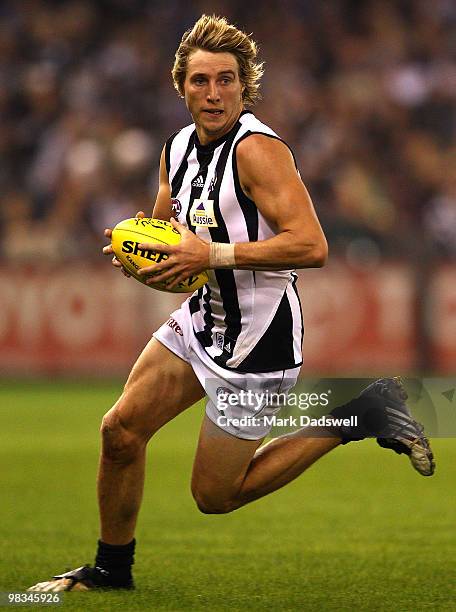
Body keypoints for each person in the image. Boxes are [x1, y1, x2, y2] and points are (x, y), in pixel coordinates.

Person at [28, 15, 434, 593]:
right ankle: (111, 571)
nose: (212, 93)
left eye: (225, 80)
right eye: (200, 81)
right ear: (181, 87)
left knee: (214, 497)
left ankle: (358, 414)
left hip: (259, 338)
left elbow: (312, 245)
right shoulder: (176, 149)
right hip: (203, 319)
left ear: (245, 87)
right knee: (119, 432)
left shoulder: (258, 151)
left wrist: (209, 256)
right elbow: (165, 226)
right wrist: (136, 252)